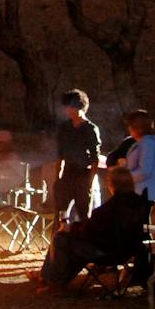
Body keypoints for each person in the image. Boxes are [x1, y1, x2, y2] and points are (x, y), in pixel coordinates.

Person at [38, 165, 154, 292]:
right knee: (73, 242)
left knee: (61, 238)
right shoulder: (140, 205)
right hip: (129, 250)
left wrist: (70, 229)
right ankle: (47, 277)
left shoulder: (108, 209)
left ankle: (54, 282)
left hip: (107, 253)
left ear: (111, 185)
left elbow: (89, 233)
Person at [52, 89, 101, 223]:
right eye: (67, 106)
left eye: (71, 106)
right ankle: (58, 241)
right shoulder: (64, 128)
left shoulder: (90, 129)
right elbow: (60, 154)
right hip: (67, 174)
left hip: (83, 175)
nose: (68, 110)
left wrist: (90, 182)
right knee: (61, 214)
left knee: (84, 215)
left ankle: (84, 241)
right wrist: (57, 179)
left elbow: (95, 158)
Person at [120, 110, 155, 203]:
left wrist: (123, 177)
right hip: (140, 192)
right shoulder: (143, 143)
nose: (129, 129)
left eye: (130, 126)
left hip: (143, 194)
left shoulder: (148, 144)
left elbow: (145, 171)